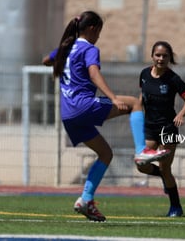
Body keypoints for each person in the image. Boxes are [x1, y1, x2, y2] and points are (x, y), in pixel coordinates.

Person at [44, 11, 170, 222]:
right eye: (99, 32)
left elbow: (46, 59)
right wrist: (112, 97)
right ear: (92, 29)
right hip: (82, 106)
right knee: (134, 103)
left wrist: (60, 61)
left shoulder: (66, 48)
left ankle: (86, 199)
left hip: (67, 115)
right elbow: (94, 73)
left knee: (105, 153)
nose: (99, 37)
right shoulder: (89, 48)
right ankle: (141, 151)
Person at [135, 41, 185, 217]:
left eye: (165, 56)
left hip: (167, 130)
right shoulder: (144, 74)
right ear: (152, 56)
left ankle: (176, 207)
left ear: (170, 58)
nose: (161, 58)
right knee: (141, 164)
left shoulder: (173, 79)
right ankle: (164, 179)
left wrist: (181, 115)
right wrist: (136, 111)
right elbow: (141, 97)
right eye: (158, 55)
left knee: (165, 168)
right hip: (150, 127)